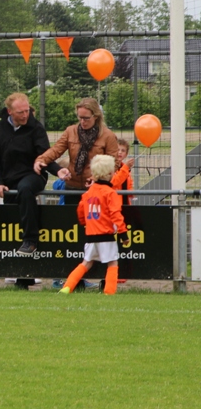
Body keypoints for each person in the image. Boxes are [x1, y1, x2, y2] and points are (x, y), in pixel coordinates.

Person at [0, 93, 61, 257]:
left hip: (33, 175)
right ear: (10, 111)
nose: (25, 115)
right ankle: (16, 263)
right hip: (9, 178)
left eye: (27, 111)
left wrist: (58, 171)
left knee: (25, 189)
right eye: (20, 112)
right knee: (13, 209)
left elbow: (45, 155)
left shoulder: (36, 128)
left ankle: (31, 240)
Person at [59, 155, 127, 295]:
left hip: (91, 235)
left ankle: (67, 287)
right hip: (106, 235)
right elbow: (116, 214)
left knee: (86, 263)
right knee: (112, 263)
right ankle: (109, 292)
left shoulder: (88, 193)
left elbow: (80, 211)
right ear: (110, 173)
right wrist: (123, 233)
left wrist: (85, 223)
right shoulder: (110, 193)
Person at [35, 97, 118, 208]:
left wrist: (96, 178)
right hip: (72, 186)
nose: (82, 121)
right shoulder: (70, 131)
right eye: (80, 117)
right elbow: (56, 150)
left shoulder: (108, 136)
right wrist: (41, 159)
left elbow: (114, 163)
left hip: (96, 188)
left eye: (86, 118)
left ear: (96, 116)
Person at [111, 138, 134, 206]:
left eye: (123, 150)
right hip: (114, 204)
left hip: (125, 203)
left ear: (126, 154)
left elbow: (128, 183)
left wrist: (131, 192)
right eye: (118, 150)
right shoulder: (110, 167)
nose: (120, 152)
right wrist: (126, 167)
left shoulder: (125, 167)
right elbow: (114, 182)